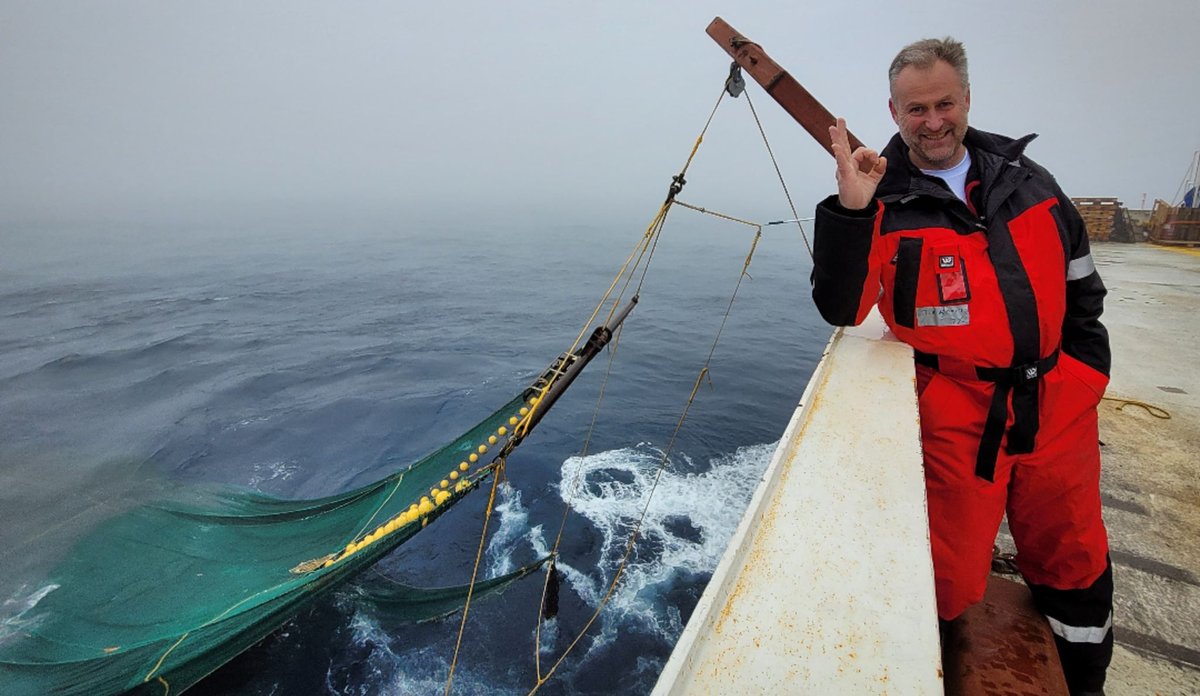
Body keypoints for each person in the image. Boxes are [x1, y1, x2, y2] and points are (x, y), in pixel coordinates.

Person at [810, 37, 1113, 695]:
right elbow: (840, 305)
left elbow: (1083, 285)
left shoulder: (1030, 181)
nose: (933, 121)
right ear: (894, 112)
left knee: (1076, 560)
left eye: (945, 103)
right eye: (916, 109)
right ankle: (939, 675)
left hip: (1059, 408)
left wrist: (1086, 376)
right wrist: (853, 208)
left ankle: (1087, 682)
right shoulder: (883, 200)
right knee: (945, 575)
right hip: (958, 414)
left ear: (967, 100)